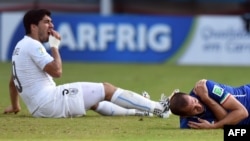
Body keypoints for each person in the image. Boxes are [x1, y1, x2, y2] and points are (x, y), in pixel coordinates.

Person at [3, 9, 170, 118]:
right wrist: (54, 47)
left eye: (51, 21)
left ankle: (140, 111)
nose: (51, 25)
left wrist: (16, 105)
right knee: (106, 89)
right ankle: (159, 108)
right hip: (50, 102)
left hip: (40, 107)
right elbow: (57, 71)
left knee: (93, 101)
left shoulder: (20, 46)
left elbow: (13, 82)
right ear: (33, 26)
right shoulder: (33, 45)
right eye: (47, 22)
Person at [169, 79, 250, 129]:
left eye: (195, 101)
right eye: (194, 109)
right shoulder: (190, 124)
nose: (199, 106)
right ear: (185, 116)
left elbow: (242, 112)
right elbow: (226, 120)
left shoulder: (206, 87)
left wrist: (206, 99)